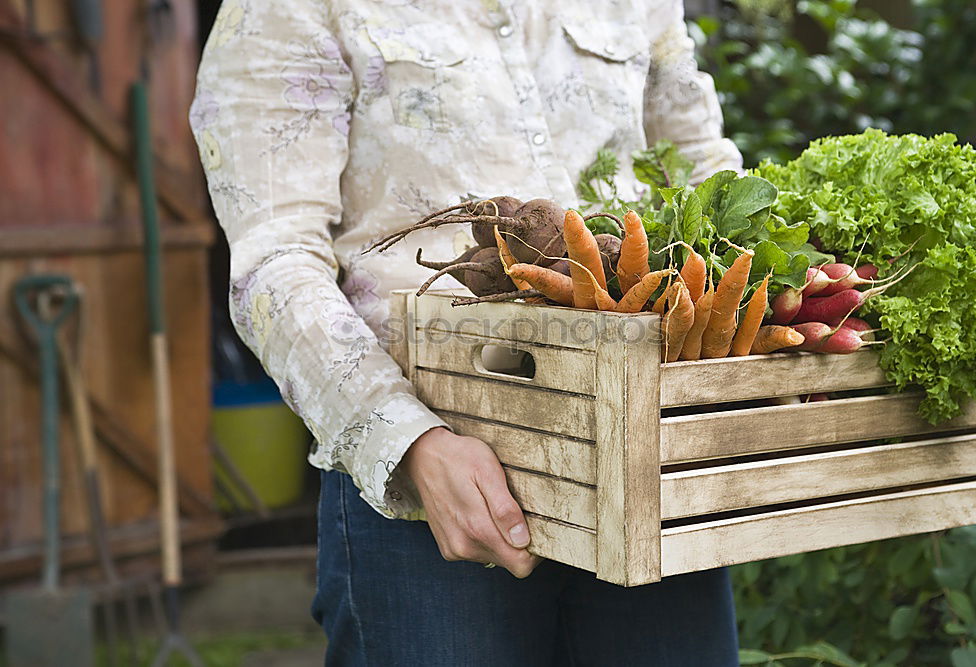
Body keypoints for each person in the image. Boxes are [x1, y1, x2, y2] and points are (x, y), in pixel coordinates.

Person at [192, 1, 743, 664]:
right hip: (431, 487)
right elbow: (274, 264)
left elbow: (703, 168)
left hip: (646, 454)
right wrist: (411, 442)